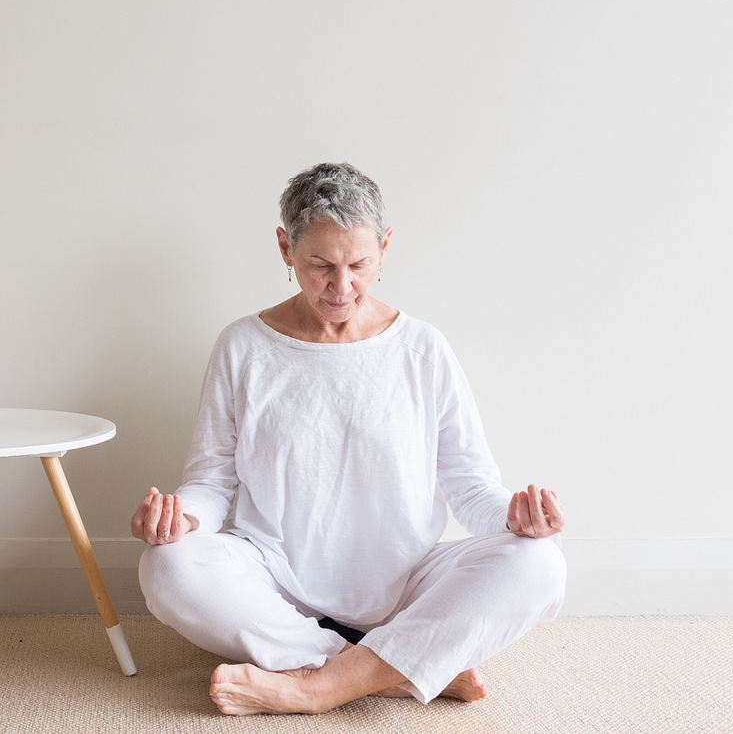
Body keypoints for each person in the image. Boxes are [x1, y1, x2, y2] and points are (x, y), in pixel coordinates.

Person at [131, 162, 566, 716]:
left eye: (359, 264)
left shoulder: (423, 348)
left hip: (407, 585)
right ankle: (397, 669)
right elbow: (212, 483)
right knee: (165, 566)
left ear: (385, 248)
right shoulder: (243, 346)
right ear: (286, 249)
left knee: (540, 563)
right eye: (320, 265)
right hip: (275, 582)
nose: (342, 287)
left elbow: (469, 485)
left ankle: (318, 685)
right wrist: (180, 518)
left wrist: (515, 517)